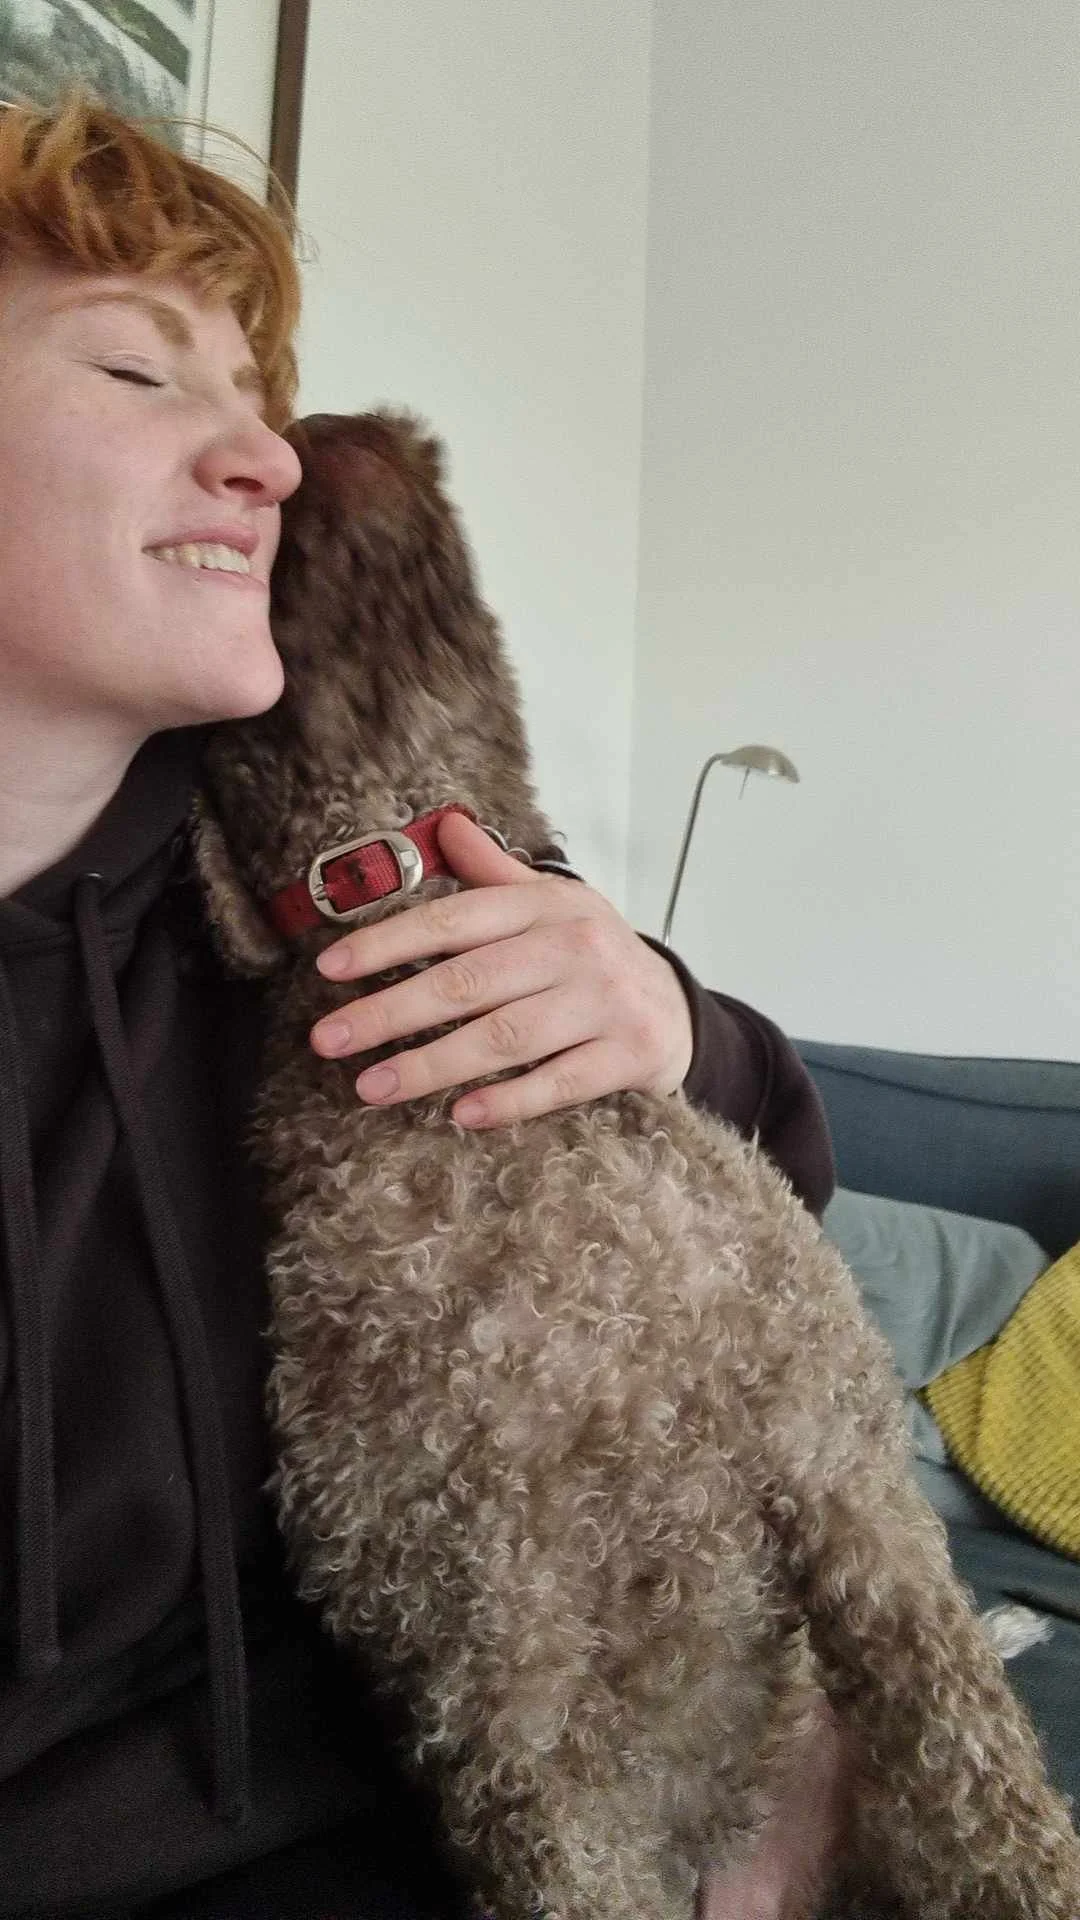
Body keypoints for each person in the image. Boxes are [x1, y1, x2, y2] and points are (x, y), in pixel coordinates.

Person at [0, 92, 835, 1919]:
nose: (268, 461)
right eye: (141, 376)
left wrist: (656, 1016)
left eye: (256, 398)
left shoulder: (318, 923)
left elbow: (771, 1160)